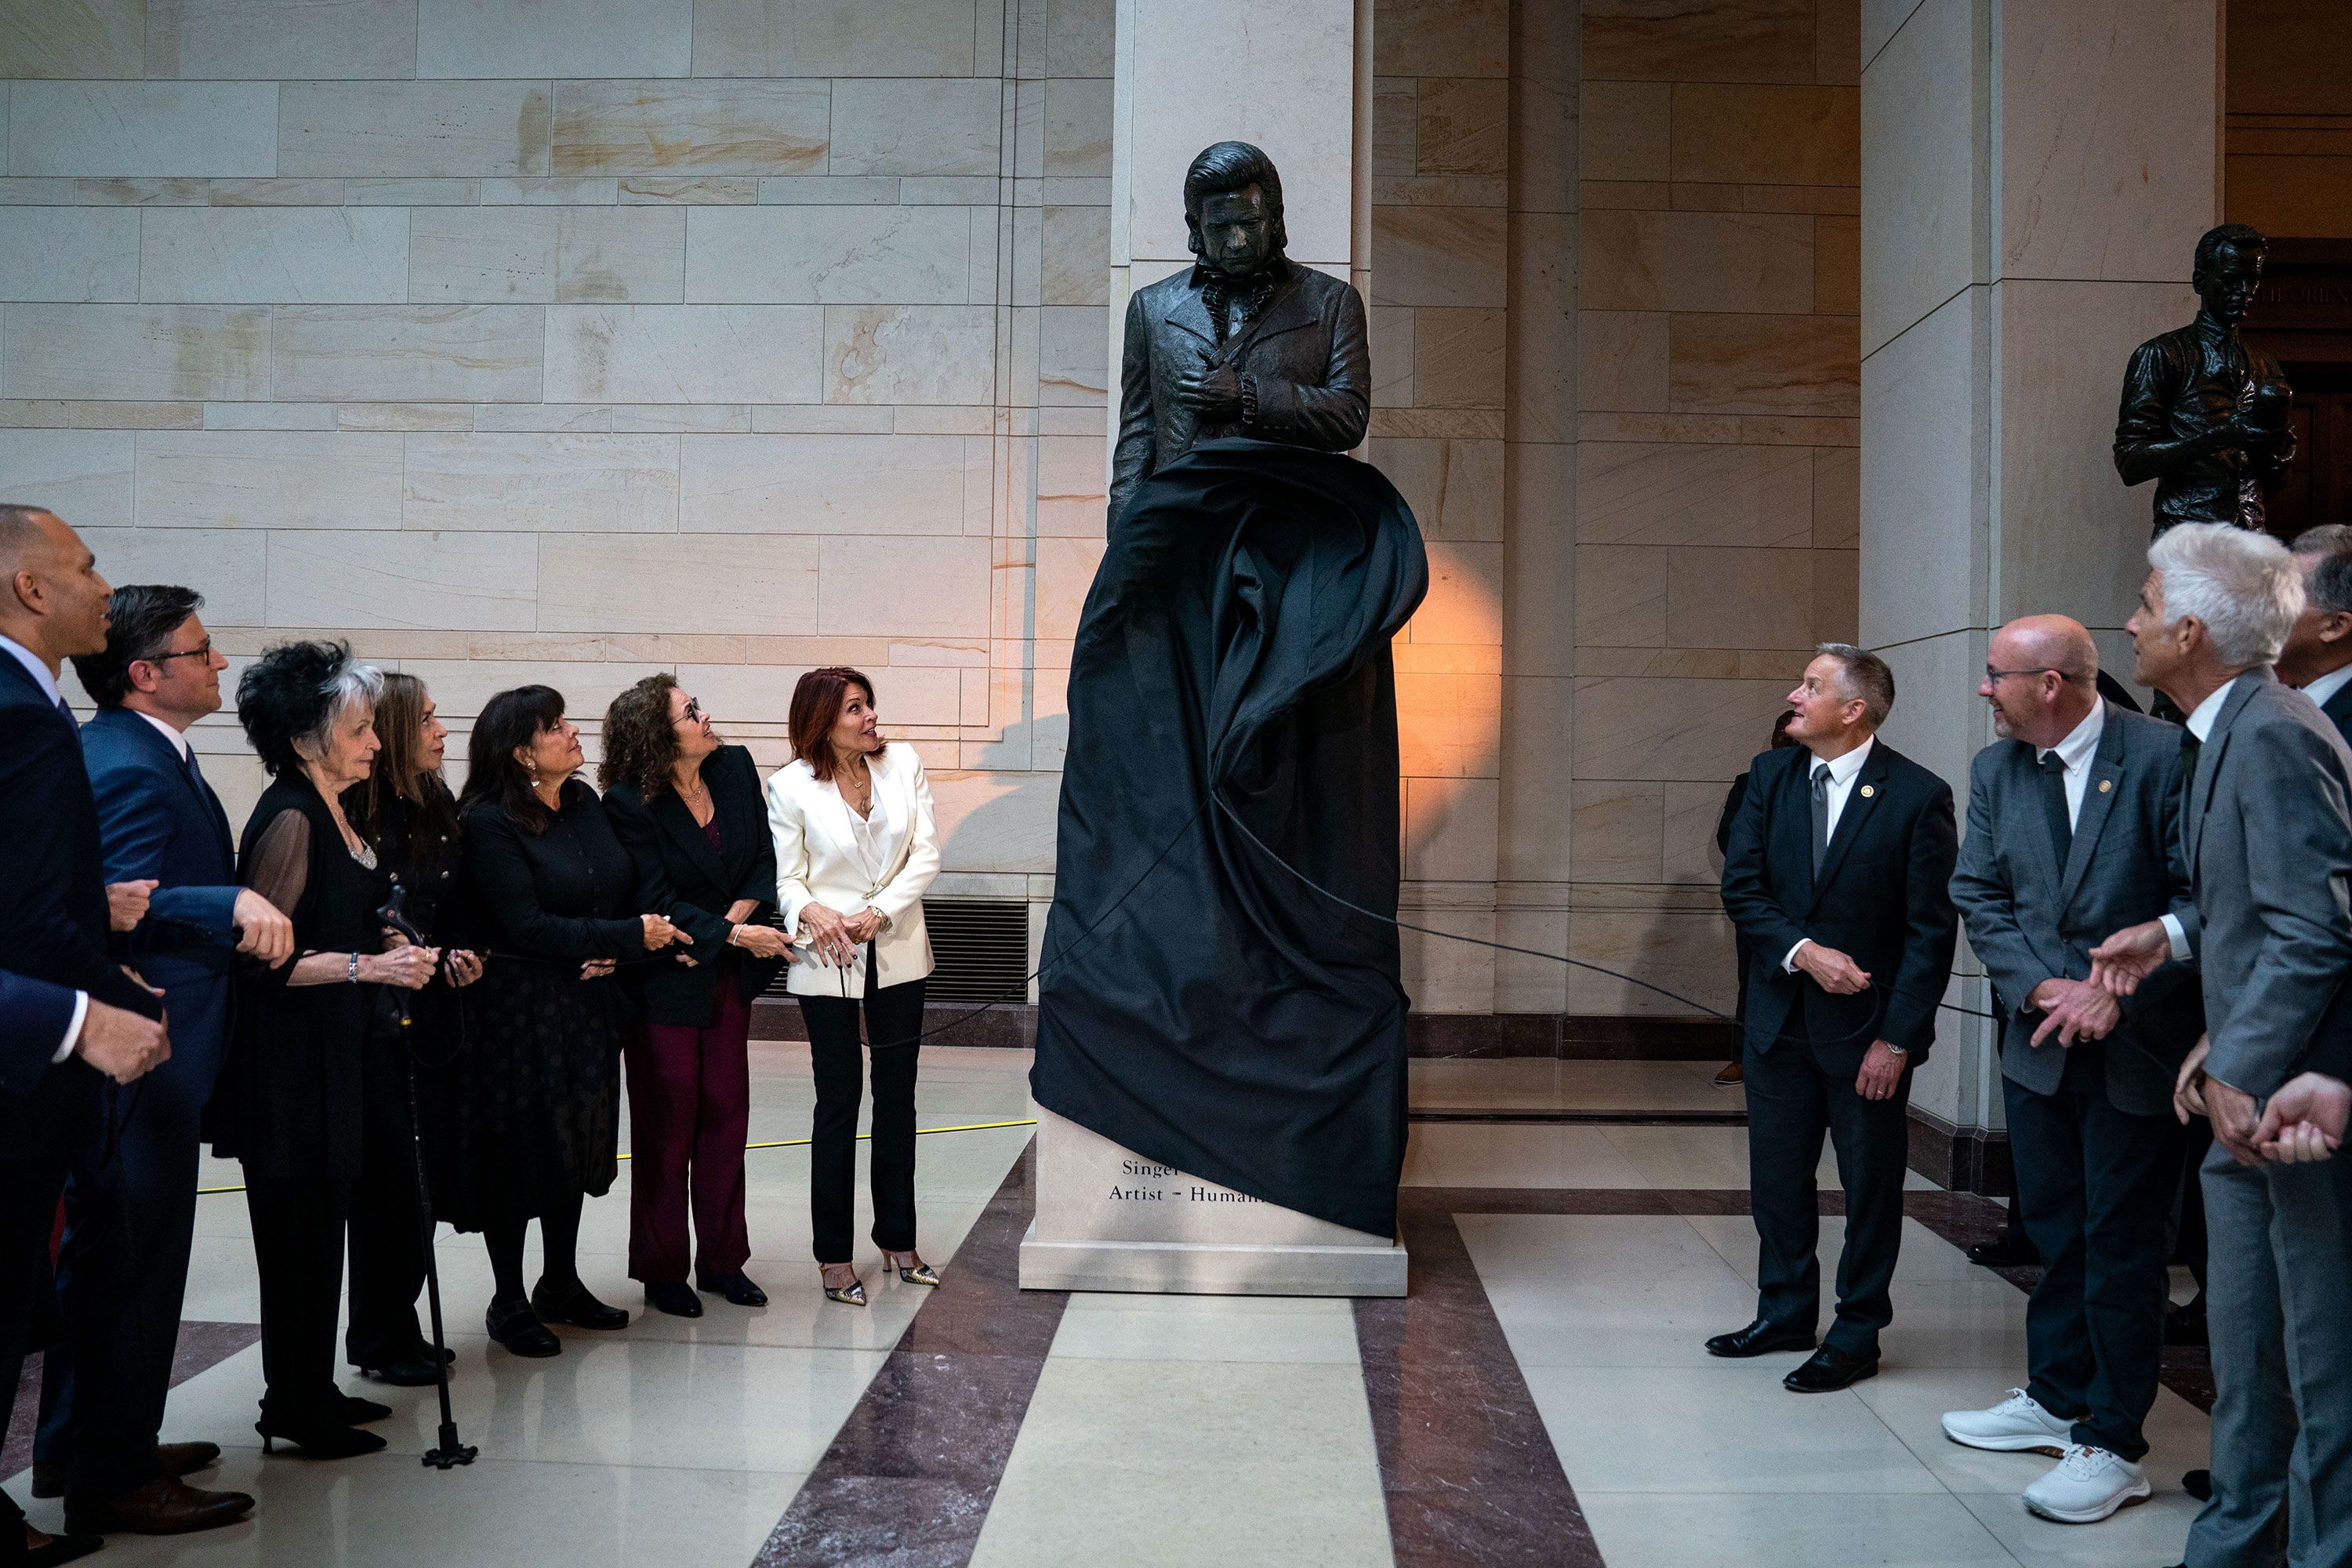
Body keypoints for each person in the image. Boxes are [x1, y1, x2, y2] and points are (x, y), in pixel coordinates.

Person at [2087, 522, 2352, 1568]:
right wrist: (2208, 1021)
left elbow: (2316, 928)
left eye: (2148, 605)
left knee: (2320, 1365)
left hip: (2290, 1108)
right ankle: (2234, 1543)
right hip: (2242, 1086)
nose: (2134, 622)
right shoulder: (2223, 726)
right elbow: (2248, 912)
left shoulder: (2277, 732)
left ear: (2192, 628)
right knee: (2247, 1358)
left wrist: (2243, 1062)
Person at [35, 586, 292, 1530]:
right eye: (203, 648)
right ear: (147, 673)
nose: (219, 662)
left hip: (151, 1047)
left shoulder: (144, 751)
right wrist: (221, 901)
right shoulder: (130, 762)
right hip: (144, 1046)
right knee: (133, 1264)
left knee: (110, 1259)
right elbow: (118, 901)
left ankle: (84, 1441)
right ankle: (114, 1473)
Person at [1942, 615, 2201, 1523]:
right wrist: (2041, 985)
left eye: (1994, 675)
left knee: (2124, 1245)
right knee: (2055, 1228)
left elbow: (2201, 895)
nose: (1984, 689)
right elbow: (1977, 890)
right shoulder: (1993, 770)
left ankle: (2114, 1440)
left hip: (2139, 1049)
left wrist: (2117, 994)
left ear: (2050, 682)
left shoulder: (2169, 755)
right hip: (2039, 1045)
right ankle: (2054, 1395)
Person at [0, 505, 176, 1565]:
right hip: (25, 1070)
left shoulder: (37, 700)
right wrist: (87, 1012)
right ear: (29, 587)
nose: (104, 585)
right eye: (84, 565)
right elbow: (20, 915)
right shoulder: (20, 712)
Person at [1712, 642, 1959, 1393]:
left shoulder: (1918, 796)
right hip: (1777, 1022)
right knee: (1777, 1182)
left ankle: (1857, 1334)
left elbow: (1930, 932)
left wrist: (1899, 1039)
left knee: (1870, 1190)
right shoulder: (1769, 777)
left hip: (1867, 1039)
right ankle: (1785, 1311)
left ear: (1853, 711)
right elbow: (1743, 888)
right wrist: (1803, 952)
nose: (1793, 694)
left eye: (1810, 686)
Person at [213, 641, 435, 1461]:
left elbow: (336, 914)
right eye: (360, 728)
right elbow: (259, 958)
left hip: (340, 1056)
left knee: (324, 1230)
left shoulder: (339, 808)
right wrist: (368, 963)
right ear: (308, 737)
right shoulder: (291, 816)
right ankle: (293, 1403)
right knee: (297, 1239)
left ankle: (311, 1385)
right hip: (291, 1066)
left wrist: (382, 932)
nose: (376, 742)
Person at [448, 686, 683, 1356]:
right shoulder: (490, 820)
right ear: (522, 752)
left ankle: (560, 1281)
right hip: (519, 1010)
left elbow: (619, 887)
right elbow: (523, 922)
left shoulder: (583, 804)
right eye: (556, 726)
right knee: (519, 1152)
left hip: (588, 1003)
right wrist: (621, 937)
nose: (574, 730)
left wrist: (611, 946)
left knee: (573, 1141)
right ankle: (508, 1298)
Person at [601, 675, 793, 1319]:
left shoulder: (735, 768)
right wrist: (737, 934)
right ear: (659, 736)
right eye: (691, 711)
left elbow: (763, 862)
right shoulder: (628, 802)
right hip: (662, 987)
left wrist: (728, 935)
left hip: (721, 973)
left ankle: (721, 1261)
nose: (707, 716)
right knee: (666, 1128)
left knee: (725, 1117)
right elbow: (653, 900)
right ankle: (661, 1270)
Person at [765, 668, 942, 1305]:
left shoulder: (905, 764)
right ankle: (833, 1257)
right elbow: (789, 879)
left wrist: (881, 912)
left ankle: (899, 1239)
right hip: (827, 954)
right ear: (822, 721)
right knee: (837, 1101)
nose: (871, 717)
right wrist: (807, 911)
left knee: (899, 1096)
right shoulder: (788, 786)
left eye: (869, 704)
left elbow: (925, 854)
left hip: (895, 948)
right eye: (855, 708)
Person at [341, 673, 481, 1386]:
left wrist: (460, 951)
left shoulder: (434, 799)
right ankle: (376, 1332)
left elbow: (454, 903)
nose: (441, 730)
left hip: (433, 1008)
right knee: (387, 1179)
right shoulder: (356, 807)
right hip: (375, 1014)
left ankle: (400, 1320)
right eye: (427, 719)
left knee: (422, 1176)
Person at [1109, 140, 1370, 521]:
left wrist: (1249, 396)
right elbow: (1137, 435)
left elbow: (1350, 417)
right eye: (1219, 227)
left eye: (1250, 223)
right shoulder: (1152, 308)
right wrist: (1122, 543)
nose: (1237, 241)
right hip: (1181, 526)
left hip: (1287, 527)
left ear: (1276, 219)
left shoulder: (1333, 302)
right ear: (1194, 226)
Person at [2113, 223, 2296, 535]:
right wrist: (2222, 435)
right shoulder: (2163, 355)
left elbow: (2277, 477)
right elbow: (2131, 462)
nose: (2244, 291)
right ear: (2201, 282)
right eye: (2231, 279)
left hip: (2250, 535)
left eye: (2252, 280)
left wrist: (2277, 447)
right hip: (2187, 534)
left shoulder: (2265, 366)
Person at [1713, 710, 1796, 1087]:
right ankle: (1743, 1057)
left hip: (1805, 906)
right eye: (1781, 729)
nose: (1786, 735)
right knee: (1751, 980)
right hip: (1760, 903)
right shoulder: (1749, 782)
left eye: (1792, 728)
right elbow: (1729, 836)